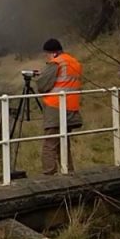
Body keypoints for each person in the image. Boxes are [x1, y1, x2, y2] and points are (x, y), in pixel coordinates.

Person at [35, 38, 83, 175]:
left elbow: (43, 85)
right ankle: (68, 171)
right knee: (64, 142)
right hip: (71, 107)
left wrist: (40, 78)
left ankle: (49, 174)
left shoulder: (56, 63)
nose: (47, 58)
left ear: (53, 53)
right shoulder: (74, 62)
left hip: (55, 107)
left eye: (47, 54)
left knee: (50, 144)